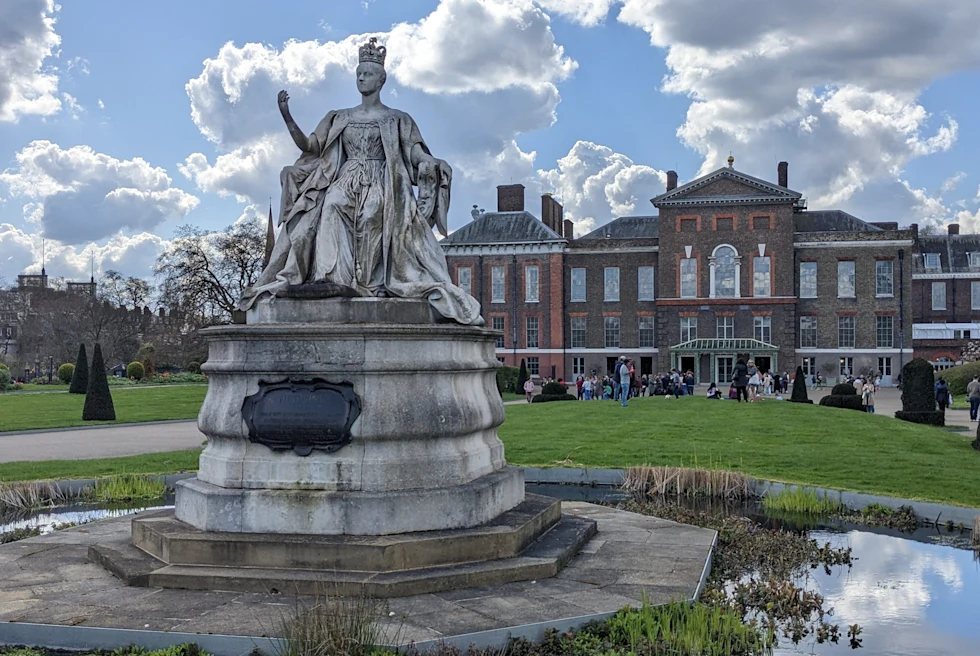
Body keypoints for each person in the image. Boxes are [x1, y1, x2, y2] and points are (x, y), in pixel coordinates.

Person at [237, 38, 482, 326]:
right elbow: (310, 147)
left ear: (381, 80)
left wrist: (431, 162)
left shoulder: (397, 119)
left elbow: (414, 151)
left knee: (371, 218)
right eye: (358, 74)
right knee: (331, 207)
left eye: (367, 74)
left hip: (381, 180)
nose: (361, 78)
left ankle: (367, 284)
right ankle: (330, 278)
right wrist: (287, 117)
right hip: (346, 177)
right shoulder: (339, 117)